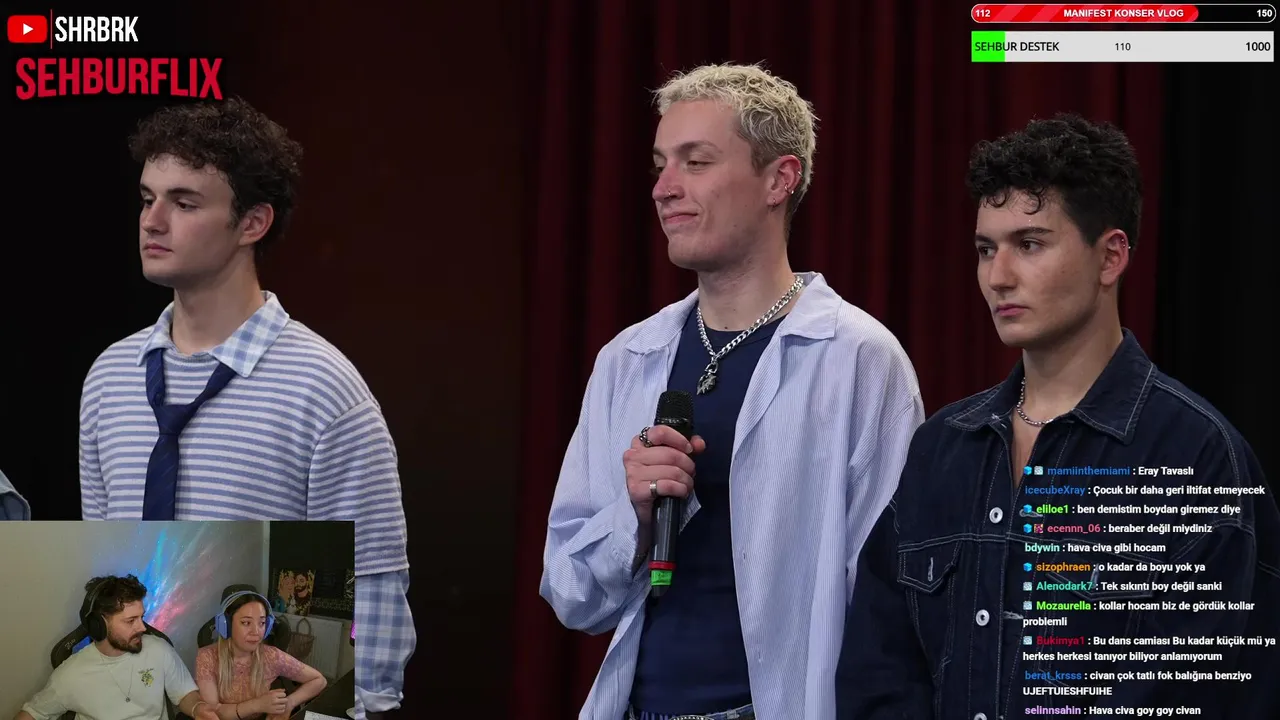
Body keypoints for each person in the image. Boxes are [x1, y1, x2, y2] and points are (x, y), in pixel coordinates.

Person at [836, 114, 1280, 718]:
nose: (998, 277)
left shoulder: (1195, 455)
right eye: (986, 249)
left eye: (1030, 244)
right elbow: (880, 670)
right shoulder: (942, 445)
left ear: (1111, 257)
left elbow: (1211, 694)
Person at [540, 63, 924, 719]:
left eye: (696, 162)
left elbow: (890, 606)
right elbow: (571, 594)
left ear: (779, 179)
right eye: (660, 165)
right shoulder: (627, 359)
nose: (664, 188)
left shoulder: (858, 358)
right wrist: (633, 520)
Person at [77, 97, 413, 718]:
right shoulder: (109, 378)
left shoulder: (322, 388)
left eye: (184, 203)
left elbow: (372, 589)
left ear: (252, 222)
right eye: (147, 199)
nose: (153, 221)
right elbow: (105, 560)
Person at [15, 575, 218, 720]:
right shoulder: (71, 675)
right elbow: (32, 714)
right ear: (100, 625)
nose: (142, 627)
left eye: (141, 617)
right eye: (131, 621)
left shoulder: (159, 650)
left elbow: (184, 694)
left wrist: (197, 708)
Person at [195, 588, 327, 720]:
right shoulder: (207, 657)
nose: (256, 632)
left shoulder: (271, 656)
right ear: (226, 625)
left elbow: (319, 680)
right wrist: (256, 705)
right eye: (246, 623)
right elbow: (211, 713)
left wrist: (289, 703)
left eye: (262, 623)